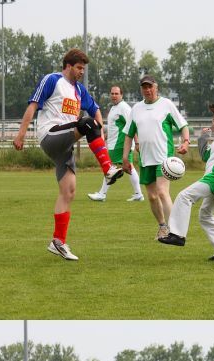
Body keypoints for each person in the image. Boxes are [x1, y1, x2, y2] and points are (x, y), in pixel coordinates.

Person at [13, 48, 123, 262]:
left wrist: (99, 130)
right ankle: (108, 169)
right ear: (68, 66)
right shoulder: (52, 80)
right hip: (50, 135)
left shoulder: (80, 90)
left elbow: (95, 109)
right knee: (86, 123)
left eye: (84, 68)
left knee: (69, 191)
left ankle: (58, 242)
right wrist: (21, 135)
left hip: (65, 144)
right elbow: (33, 106)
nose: (82, 71)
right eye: (79, 67)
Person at [158, 104, 214, 261]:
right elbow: (206, 157)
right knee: (205, 215)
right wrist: (202, 139)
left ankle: (177, 235)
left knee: (184, 196)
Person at [122, 75, 189, 240]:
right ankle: (163, 227)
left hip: (163, 158)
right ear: (141, 89)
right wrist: (125, 158)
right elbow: (128, 135)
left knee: (162, 192)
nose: (147, 90)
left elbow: (183, 125)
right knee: (152, 197)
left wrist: (186, 142)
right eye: (144, 87)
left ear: (156, 87)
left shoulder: (166, 104)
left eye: (150, 86)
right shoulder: (136, 109)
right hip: (145, 159)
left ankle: (176, 232)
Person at [88, 85, 144, 203]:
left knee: (110, 168)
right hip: (115, 143)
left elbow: (132, 125)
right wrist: (106, 137)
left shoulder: (123, 107)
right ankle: (138, 194)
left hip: (120, 144)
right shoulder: (115, 108)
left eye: (116, 93)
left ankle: (102, 194)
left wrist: (137, 141)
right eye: (112, 93)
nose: (114, 96)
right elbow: (115, 126)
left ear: (121, 95)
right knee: (128, 167)